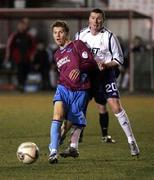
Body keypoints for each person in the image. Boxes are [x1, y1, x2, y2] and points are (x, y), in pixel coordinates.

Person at [60, 8, 140, 158]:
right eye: (93, 18)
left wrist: (105, 65)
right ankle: (73, 147)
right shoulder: (80, 35)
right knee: (79, 108)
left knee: (115, 106)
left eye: (98, 18)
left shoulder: (109, 37)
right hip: (88, 76)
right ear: (89, 19)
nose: (95, 21)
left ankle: (132, 141)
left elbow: (119, 60)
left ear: (103, 20)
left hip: (106, 76)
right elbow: (75, 55)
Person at [48, 20, 98, 164]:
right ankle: (53, 152)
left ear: (67, 33)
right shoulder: (56, 54)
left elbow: (91, 62)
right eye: (55, 33)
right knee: (57, 115)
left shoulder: (77, 45)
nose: (57, 35)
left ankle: (65, 142)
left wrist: (80, 69)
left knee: (70, 124)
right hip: (63, 88)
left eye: (61, 32)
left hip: (80, 91)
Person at [4, 20, 36, 92]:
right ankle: (20, 85)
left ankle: (22, 84)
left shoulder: (29, 36)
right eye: (21, 25)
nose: (22, 27)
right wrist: (8, 56)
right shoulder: (14, 36)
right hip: (17, 58)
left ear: (26, 27)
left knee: (26, 71)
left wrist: (32, 55)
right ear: (18, 26)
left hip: (27, 58)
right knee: (19, 71)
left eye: (24, 25)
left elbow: (33, 47)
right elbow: (9, 46)